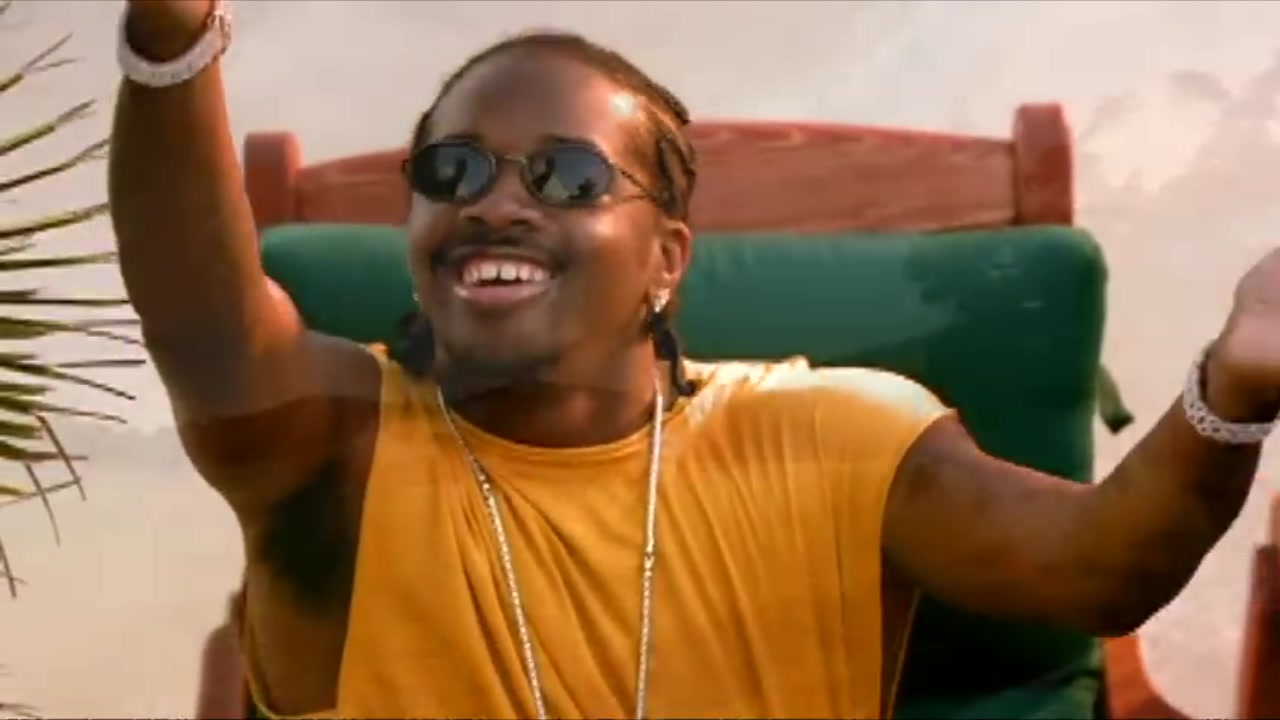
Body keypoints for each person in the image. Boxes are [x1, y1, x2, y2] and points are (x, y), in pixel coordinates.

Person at [109, 0, 1280, 718]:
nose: (494, 204)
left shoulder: (836, 436)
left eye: (566, 177)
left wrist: (1229, 386)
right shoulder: (334, 447)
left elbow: (1095, 571)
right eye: (451, 172)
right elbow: (202, 322)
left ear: (665, 258)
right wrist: (171, 39)